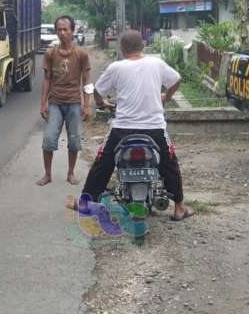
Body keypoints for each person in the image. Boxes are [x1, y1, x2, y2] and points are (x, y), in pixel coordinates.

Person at [71, 29, 194, 221]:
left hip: (122, 129)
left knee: (102, 162)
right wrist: (165, 97)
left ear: (121, 49)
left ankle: (85, 202)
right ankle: (179, 207)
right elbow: (177, 80)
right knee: (170, 162)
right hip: (154, 129)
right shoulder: (156, 63)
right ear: (143, 45)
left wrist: (102, 103)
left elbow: (97, 91)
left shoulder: (116, 67)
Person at [37, 15, 92, 186]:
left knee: (74, 141)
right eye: (59, 29)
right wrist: (43, 103)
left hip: (74, 103)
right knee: (48, 140)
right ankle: (47, 174)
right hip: (55, 103)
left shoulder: (81, 54)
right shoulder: (50, 53)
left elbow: (87, 81)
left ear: (72, 31)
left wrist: (86, 105)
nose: (62, 33)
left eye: (65, 29)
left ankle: (70, 173)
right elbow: (47, 80)